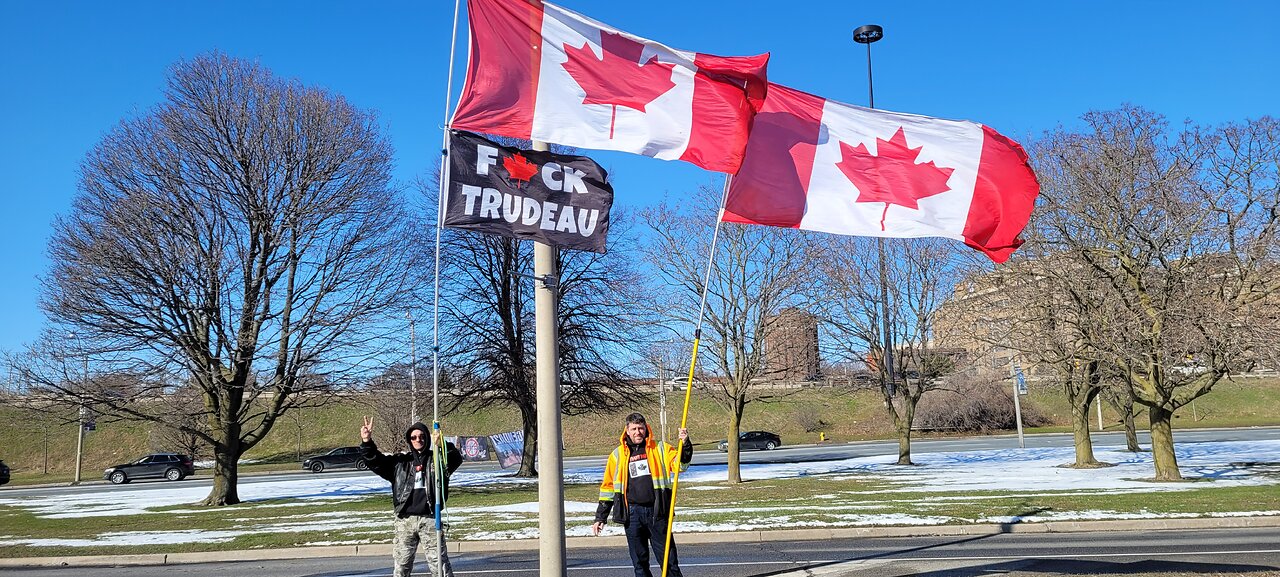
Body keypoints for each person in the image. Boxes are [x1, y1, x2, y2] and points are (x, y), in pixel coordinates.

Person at [592, 412, 693, 577]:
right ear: (627, 430)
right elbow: (608, 488)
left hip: (657, 512)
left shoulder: (660, 448)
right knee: (639, 564)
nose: (637, 432)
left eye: (640, 428)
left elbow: (681, 465)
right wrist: (600, 517)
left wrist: (685, 444)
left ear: (646, 429)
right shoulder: (617, 455)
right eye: (633, 429)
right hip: (632, 515)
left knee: (669, 561)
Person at [360, 416, 463, 577]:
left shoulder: (437, 459)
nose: (418, 440)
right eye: (414, 437)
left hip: (430, 518)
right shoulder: (400, 463)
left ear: (427, 438)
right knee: (402, 567)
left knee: (440, 566)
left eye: (422, 436)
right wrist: (367, 442)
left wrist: (442, 444)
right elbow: (376, 462)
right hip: (405, 521)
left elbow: (456, 458)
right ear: (409, 439)